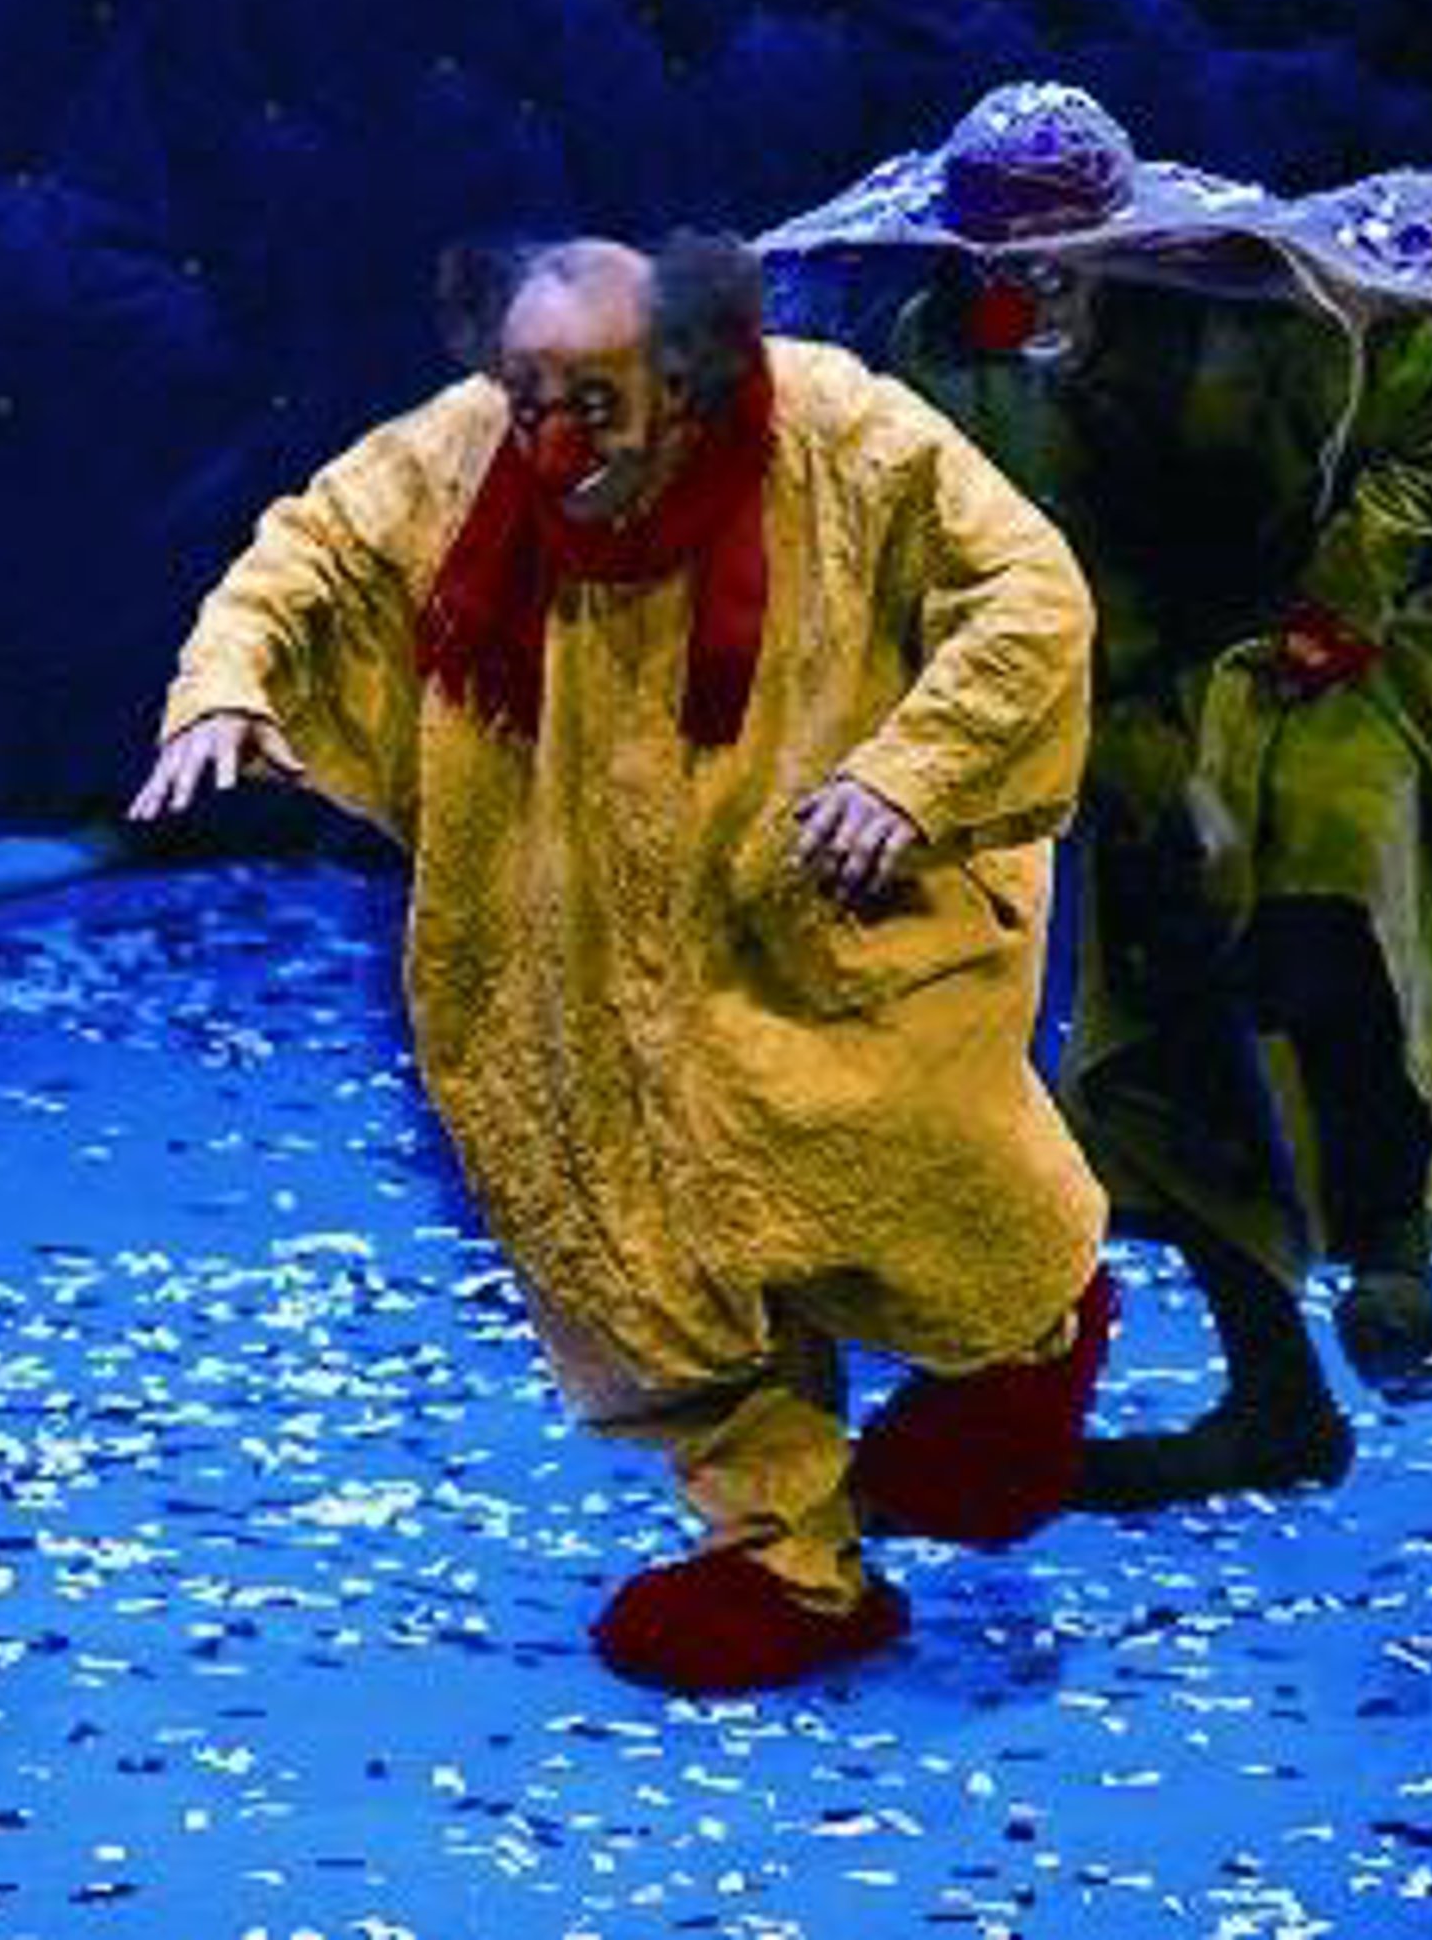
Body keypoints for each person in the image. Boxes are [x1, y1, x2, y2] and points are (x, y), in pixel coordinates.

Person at [129, 230, 1110, 1688]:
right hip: (569, 938)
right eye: (527, 393)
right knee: (639, 1247)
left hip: (812, 901)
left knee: (915, 1160)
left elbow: (1025, 594)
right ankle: (783, 1556)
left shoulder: (842, 432)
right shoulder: (464, 451)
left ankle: (1028, 1343)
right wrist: (225, 686)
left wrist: (911, 775)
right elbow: (315, 552)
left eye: (593, 401)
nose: (549, 437)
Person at [758, 86, 1432, 1507]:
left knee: (1327, 888)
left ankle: (1391, 1259)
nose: (1026, 288)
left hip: (1349, 659)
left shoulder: (1268, 309)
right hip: (1140, 688)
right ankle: (1278, 1403)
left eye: (1056, 257)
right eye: (993, 259)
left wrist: (1356, 584)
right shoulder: (942, 359)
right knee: (1161, 1036)